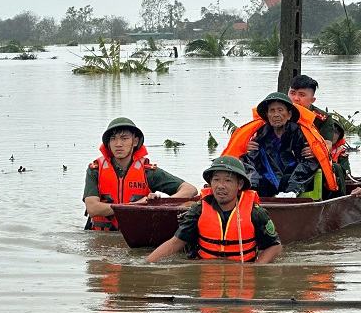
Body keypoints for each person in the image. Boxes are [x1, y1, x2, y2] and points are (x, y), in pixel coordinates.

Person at [146, 156, 282, 263]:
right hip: (207, 270)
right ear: (210, 183)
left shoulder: (256, 212)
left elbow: (274, 246)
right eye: (216, 180)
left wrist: (257, 268)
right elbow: (176, 242)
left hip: (242, 269)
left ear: (239, 184)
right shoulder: (198, 210)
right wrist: (147, 263)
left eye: (228, 181)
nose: (220, 186)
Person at [83, 117, 197, 231]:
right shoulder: (95, 170)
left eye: (124, 138)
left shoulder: (148, 172)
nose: (118, 144)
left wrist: (160, 204)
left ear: (135, 141)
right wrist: (139, 205)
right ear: (108, 143)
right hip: (101, 237)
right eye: (113, 139)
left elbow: (190, 189)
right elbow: (93, 208)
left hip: (136, 234)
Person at [222, 92, 340, 198]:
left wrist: (292, 189)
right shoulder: (260, 136)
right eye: (272, 111)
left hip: (292, 183)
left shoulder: (300, 134)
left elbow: (308, 163)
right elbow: (251, 162)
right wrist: (252, 186)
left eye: (280, 110)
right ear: (267, 115)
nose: (276, 115)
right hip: (267, 184)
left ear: (289, 115)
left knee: (292, 175)